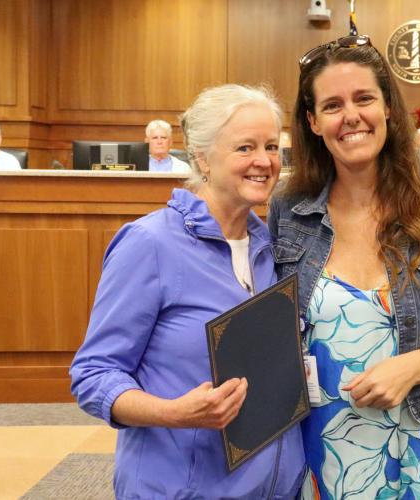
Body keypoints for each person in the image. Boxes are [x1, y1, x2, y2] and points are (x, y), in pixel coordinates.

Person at [267, 36, 420, 500]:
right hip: (325, 450)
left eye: (364, 98)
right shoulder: (288, 209)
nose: (351, 116)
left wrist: (412, 368)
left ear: (388, 109)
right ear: (313, 121)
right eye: (332, 105)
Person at [71, 84, 305, 500]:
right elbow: (92, 376)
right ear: (202, 157)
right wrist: (174, 413)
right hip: (183, 488)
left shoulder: (271, 248)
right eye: (244, 148)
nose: (264, 161)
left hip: (276, 488)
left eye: (272, 146)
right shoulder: (150, 244)